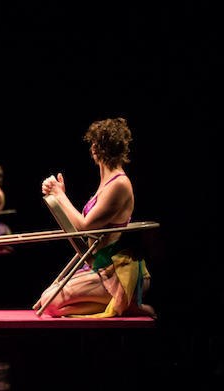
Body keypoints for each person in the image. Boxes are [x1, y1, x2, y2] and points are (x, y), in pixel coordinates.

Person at [36, 118, 155, 318]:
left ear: (95, 149)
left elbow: (84, 227)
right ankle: (120, 304)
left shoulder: (119, 184)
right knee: (45, 301)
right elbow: (80, 233)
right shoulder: (107, 183)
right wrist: (59, 200)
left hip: (115, 273)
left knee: (50, 303)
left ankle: (125, 305)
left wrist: (60, 196)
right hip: (96, 264)